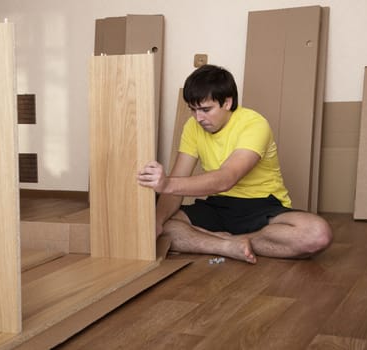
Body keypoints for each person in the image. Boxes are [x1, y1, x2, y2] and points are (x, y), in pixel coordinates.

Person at [137, 64, 332, 264]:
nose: (198, 118)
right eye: (193, 110)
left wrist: (166, 184)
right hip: (219, 205)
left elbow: (226, 178)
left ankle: (227, 240)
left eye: (205, 109)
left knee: (316, 234)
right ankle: (226, 246)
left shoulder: (254, 124)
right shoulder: (192, 127)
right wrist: (157, 223)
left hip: (261, 204)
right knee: (164, 226)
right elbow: (176, 187)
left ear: (227, 102)